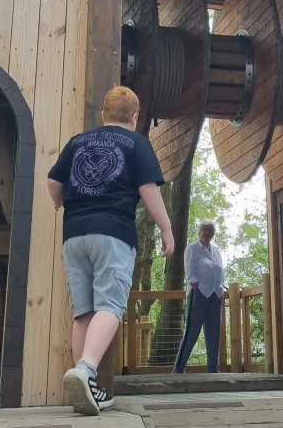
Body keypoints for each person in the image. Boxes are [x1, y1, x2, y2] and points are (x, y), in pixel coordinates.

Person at [47, 86, 174, 416]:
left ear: (103, 115)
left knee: (84, 311)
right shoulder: (137, 143)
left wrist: (62, 204)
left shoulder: (78, 142)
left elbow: (53, 182)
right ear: (134, 117)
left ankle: (85, 387)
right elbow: (147, 189)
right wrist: (167, 228)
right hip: (113, 233)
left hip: (74, 235)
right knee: (110, 306)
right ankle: (87, 369)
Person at [173, 220, 227, 374]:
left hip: (215, 295)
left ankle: (212, 368)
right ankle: (179, 369)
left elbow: (219, 270)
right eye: (204, 230)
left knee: (213, 332)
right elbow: (189, 268)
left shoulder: (216, 250)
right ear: (199, 232)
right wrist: (194, 284)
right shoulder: (192, 248)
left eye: (210, 231)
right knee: (192, 331)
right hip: (199, 293)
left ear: (213, 234)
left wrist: (220, 289)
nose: (207, 233)